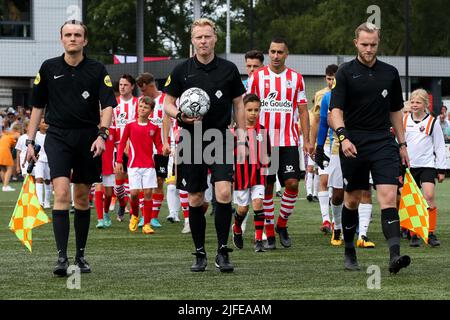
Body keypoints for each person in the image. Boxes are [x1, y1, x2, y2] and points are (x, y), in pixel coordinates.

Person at [26, 20, 116, 276]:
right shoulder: (49, 67)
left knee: (82, 198)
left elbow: (108, 105)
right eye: (68, 35)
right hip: (57, 137)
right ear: (61, 39)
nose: (73, 38)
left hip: (89, 137)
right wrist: (30, 142)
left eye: (78, 35)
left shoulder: (98, 69)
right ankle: (62, 258)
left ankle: (80, 256)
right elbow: (37, 107)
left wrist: (102, 135)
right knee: (62, 193)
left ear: (85, 41)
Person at [164, 18, 246, 273]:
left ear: (215, 39)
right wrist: (179, 116)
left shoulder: (229, 69)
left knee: (223, 193)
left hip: (220, 136)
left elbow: (239, 104)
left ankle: (222, 251)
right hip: (189, 138)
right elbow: (167, 103)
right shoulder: (181, 70)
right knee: (196, 197)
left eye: (207, 37)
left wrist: (243, 139)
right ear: (192, 40)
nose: (203, 41)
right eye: (198, 37)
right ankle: (199, 252)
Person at [329, 22, 410, 274]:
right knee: (352, 199)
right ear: (356, 43)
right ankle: (350, 249)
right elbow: (335, 112)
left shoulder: (390, 72)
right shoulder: (344, 72)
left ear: (378, 43)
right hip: (353, 142)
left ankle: (394, 257)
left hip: (383, 142)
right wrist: (344, 139)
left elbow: (396, 110)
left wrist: (402, 143)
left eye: (373, 44)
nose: (369, 49)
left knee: (388, 196)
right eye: (364, 44)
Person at [247, 37, 313, 249]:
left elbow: (303, 111)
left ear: (287, 54)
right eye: (272, 52)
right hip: (262, 141)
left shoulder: (296, 78)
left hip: (288, 141)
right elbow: (248, 108)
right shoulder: (257, 77)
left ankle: (281, 225)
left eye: (280, 52)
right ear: (269, 52)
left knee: (293, 184)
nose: (276, 56)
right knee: (265, 188)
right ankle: (269, 233)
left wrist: (308, 140)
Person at [403, 89, 446, 247]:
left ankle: (430, 233)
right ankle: (414, 234)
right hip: (409, 166)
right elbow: (398, 142)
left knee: (428, 196)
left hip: (427, 165)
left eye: (418, 102)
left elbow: (440, 146)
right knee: (413, 201)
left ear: (425, 105)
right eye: (412, 102)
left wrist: (441, 169)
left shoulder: (432, 122)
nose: (414, 105)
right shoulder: (404, 120)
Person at [115, 96, 162, 235]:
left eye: (146, 107)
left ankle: (147, 224)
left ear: (151, 111)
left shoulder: (154, 127)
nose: (142, 109)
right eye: (141, 106)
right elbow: (122, 143)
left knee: (148, 193)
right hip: (133, 165)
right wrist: (119, 161)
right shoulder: (130, 125)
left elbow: (158, 144)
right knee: (134, 194)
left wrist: (163, 151)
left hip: (149, 165)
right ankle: (135, 216)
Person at [231, 94, 270, 252]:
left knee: (259, 204)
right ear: (242, 111)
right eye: (249, 110)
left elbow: (267, 152)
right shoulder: (234, 132)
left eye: (256, 110)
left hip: (258, 175)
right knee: (243, 209)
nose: (253, 113)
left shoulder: (262, 130)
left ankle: (258, 241)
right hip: (241, 176)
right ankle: (237, 227)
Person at [137, 72, 172, 228]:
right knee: (143, 183)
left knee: (159, 181)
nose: (142, 94)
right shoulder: (141, 102)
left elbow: (169, 121)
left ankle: (153, 217)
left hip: (160, 148)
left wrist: (166, 143)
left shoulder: (166, 100)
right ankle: (144, 216)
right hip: (143, 148)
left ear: (151, 86)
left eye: (144, 90)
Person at [310, 64, 338, 234]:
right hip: (325, 144)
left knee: (337, 185)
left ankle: (337, 220)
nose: (331, 81)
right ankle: (326, 220)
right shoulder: (321, 95)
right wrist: (314, 144)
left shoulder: (344, 93)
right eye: (328, 78)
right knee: (324, 181)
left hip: (339, 144)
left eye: (334, 78)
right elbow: (316, 121)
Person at [113, 74, 138, 222]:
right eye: (121, 84)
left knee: (133, 183)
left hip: (134, 148)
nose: (122, 87)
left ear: (132, 86)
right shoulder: (114, 104)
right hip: (117, 149)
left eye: (125, 85)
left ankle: (133, 212)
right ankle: (122, 204)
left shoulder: (138, 103)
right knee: (118, 185)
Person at [35, 117, 52, 208]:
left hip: (49, 160)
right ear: (39, 125)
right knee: (39, 179)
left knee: (48, 181)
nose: (46, 124)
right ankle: (40, 202)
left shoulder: (51, 135)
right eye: (43, 122)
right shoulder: (36, 135)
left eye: (47, 122)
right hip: (39, 161)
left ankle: (47, 202)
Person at [0, 123, 21, 191]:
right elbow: (19, 142)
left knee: (3, 169)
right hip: (5, 150)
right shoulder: (16, 133)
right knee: (10, 168)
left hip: (1, 149)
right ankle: (5, 186)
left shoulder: (7, 133)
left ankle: (4, 185)